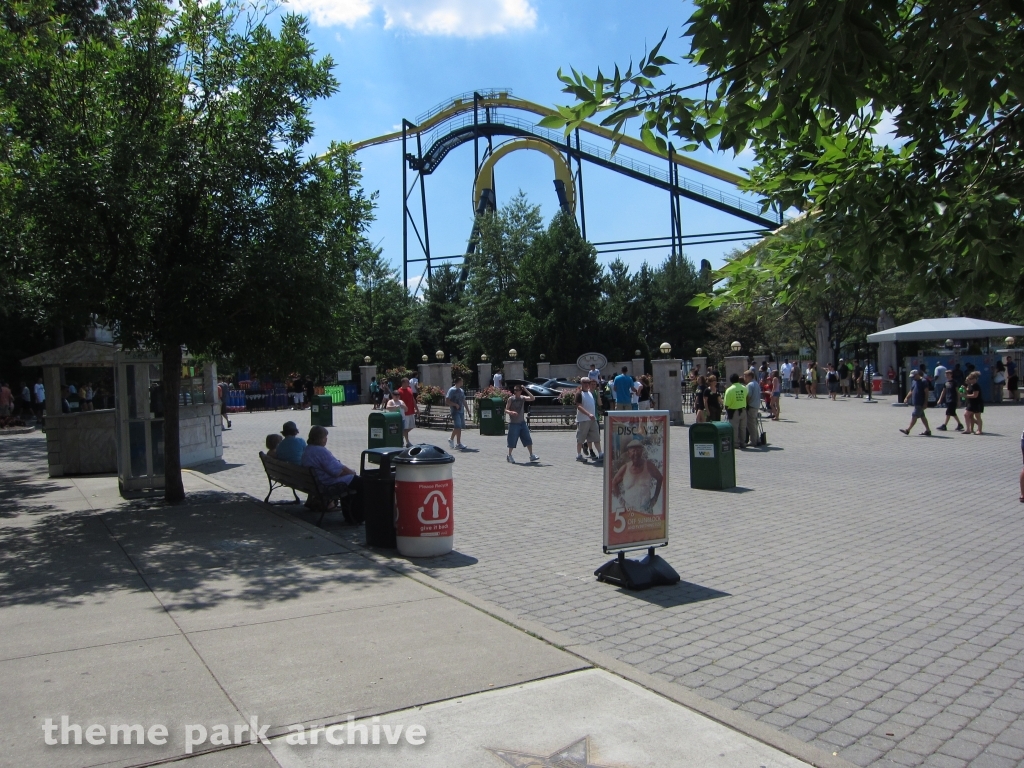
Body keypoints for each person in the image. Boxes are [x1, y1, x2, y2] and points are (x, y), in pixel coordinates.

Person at [301, 425, 363, 518]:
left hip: (315, 483)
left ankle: (351, 515)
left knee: (354, 481)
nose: (326, 440)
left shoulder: (308, 449)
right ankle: (356, 516)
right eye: (325, 437)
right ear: (320, 439)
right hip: (326, 484)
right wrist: (351, 472)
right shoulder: (321, 451)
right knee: (360, 483)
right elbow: (336, 471)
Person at [611, 439, 664, 514]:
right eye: (633, 451)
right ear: (629, 453)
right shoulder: (625, 468)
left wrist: (655, 498)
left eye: (638, 450)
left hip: (646, 510)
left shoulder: (648, 466)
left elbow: (660, 478)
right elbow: (614, 482)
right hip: (629, 510)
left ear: (642, 452)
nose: (636, 453)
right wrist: (621, 501)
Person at [505, 383, 539, 463]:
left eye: (517, 390)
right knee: (512, 440)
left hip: (522, 423)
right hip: (513, 423)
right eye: (515, 390)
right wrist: (511, 412)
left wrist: (526, 390)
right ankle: (509, 455)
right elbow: (506, 409)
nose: (515, 391)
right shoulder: (511, 399)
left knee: (527, 439)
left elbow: (532, 398)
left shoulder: (522, 398)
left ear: (520, 391)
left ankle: (531, 455)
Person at [575, 377, 602, 462]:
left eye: (588, 382)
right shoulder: (579, 393)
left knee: (596, 437)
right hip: (583, 420)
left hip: (592, 420)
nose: (587, 384)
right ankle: (579, 455)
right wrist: (588, 414)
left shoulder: (590, 393)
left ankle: (601, 453)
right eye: (585, 383)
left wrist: (593, 415)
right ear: (581, 384)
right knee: (581, 439)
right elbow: (579, 406)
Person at [900, 369, 932, 436]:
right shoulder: (914, 381)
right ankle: (928, 430)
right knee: (922, 417)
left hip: (920, 402)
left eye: (913, 376)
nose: (913, 378)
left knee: (914, 416)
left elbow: (926, 392)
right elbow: (911, 391)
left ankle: (907, 430)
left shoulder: (924, 381)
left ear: (917, 374)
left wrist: (925, 402)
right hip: (916, 402)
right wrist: (906, 398)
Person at [724, 373, 748, 448]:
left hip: (733, 411)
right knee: (743, 428)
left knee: (734, 428)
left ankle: (735, 444)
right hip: (743, 410)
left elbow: (726, 404)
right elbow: (747, 398)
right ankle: (743, 442)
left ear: (731, 380)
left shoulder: (729, 390)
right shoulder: (744, 388)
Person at [445, 376, 468, 450]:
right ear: (458, 382)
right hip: (455, 411)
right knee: (457, 426)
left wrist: (468, 410)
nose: (462, 382)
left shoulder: (461, 390)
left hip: (461, 411)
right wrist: (455, 404)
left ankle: (458, 443)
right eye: (461, 381)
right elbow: (447, 401)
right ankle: (451, 439)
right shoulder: (451, 390)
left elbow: (464, 401)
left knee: (459, 427)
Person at [396, 377, 418, 447]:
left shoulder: (409, 389)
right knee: (405, 428)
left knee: (412, 426)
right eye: (407, 382)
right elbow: (398, 402)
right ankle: (407, 442)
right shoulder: (399, 391)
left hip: (411, 411)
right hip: (404, 413)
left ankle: (400, 436)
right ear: (403, 383)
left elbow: (413, 400)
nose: (409, 383)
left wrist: (416, 408)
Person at [744, 370, 760, 446]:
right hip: (756, 406)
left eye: (745, 376)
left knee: (751, 425)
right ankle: (757, 439)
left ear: (750, 376)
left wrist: (745, 404)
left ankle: (753, 441)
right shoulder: (756, 383)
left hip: (751, 406)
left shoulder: (749, 385)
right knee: (754, 423)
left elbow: (748, 396)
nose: (744, 378)